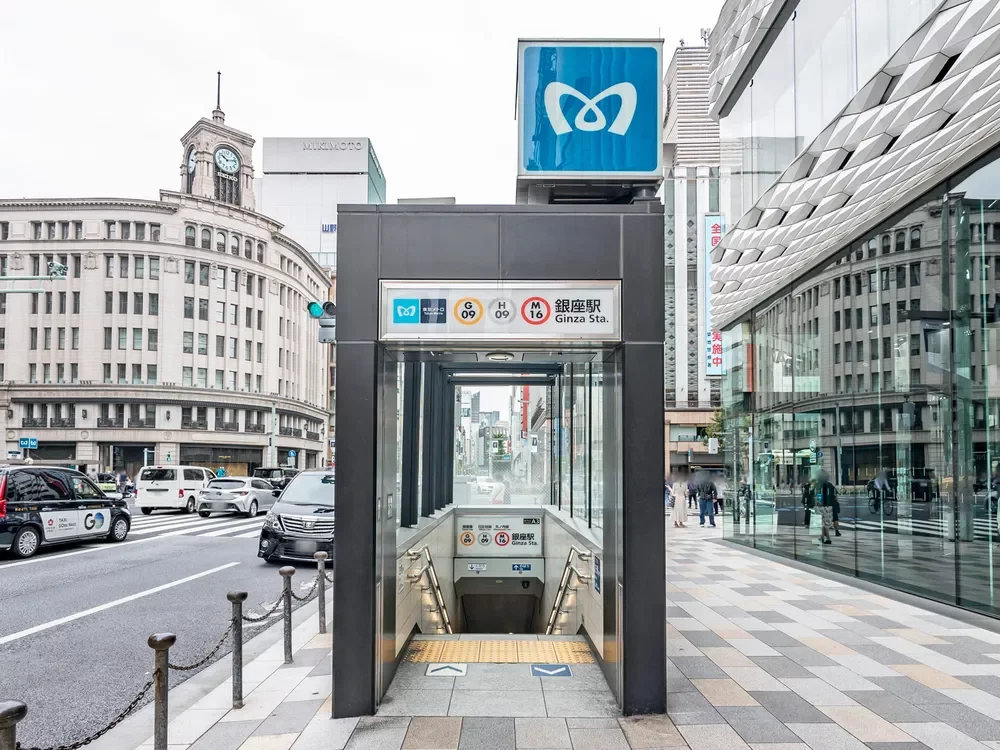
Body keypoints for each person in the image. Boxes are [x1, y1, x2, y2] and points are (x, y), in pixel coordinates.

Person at [817, 471, 838, 544]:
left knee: (823, 523)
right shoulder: (830, 485)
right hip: (829, 506)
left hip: (823, 506)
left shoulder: (819, 485)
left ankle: (828, 538)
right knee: (825, 522)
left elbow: (818, 496)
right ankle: (822, 537)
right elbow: (835, 496)